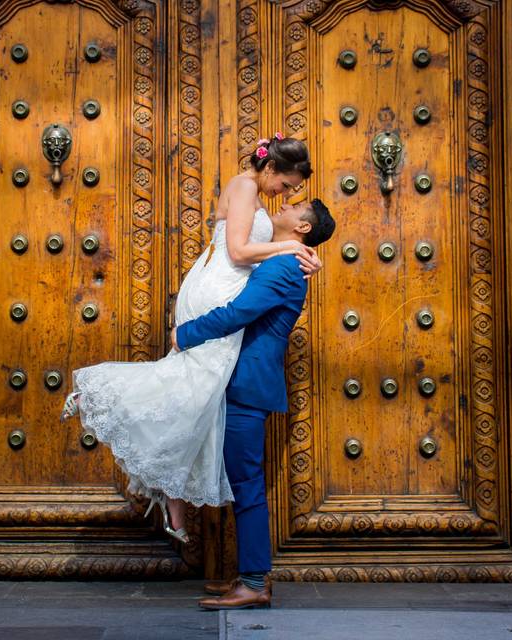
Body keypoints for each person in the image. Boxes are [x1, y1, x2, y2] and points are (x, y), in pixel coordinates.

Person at [61, 135, 320, 543]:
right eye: (286, 184)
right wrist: (291, 244)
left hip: (220, 283)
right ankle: (94, 392)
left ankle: (172, 498)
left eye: (290, 193)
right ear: (270, 168)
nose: (284, 193)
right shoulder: (246, 185)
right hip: (219, 287)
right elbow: (238, 251)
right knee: (198, 383)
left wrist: (303, 251)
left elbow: (267, 246)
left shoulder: (255, 194)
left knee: (200, 394)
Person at [171, 198, 335, 609]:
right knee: (238, 479)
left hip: (247, 382)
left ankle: (255, 582)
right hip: (234, 378)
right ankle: (247, 576)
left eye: (295, 205)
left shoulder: (284, 267)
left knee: (246, 483)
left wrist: (186, 334)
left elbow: (241, 311)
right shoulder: (279, 258)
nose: (284, 204)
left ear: (301, 228)